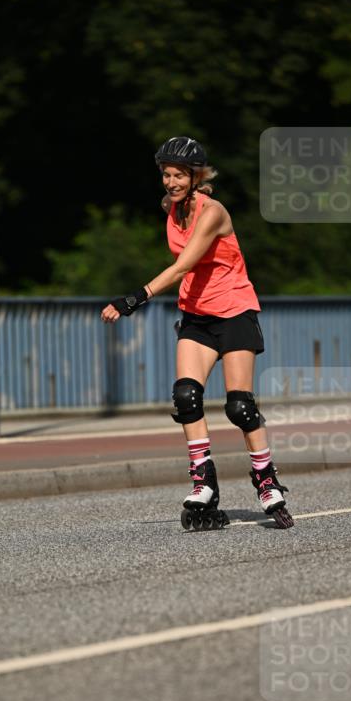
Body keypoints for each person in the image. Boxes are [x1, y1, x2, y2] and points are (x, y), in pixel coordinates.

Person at [100, 135, 293, 530]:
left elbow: (184, 265)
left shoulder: (213, 212)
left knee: (240, 407)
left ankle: (266, 480)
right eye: (166, 174)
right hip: (196, 316)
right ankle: (203, 480)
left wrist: (134, 299)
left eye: (178, 175)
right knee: (186, 397)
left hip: (235, 311)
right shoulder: (171, 209)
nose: (170, 182)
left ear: (196, 175)